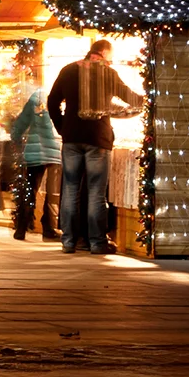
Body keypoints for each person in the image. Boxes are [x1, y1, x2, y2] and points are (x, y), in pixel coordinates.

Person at [48, 40, 144, 255]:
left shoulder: (69, 70)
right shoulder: (108, 74)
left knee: (71, 190)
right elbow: (131, 98)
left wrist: (63, 127)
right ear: (102, 53)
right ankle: (97, 242)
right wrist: (149, 98)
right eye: (109, 57)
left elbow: (52, 101)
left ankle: (69, 241)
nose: (110, 61)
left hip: (72, 138)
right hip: (97, 139)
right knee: (96, 193)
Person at [10, 88, 62, 241]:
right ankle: (49, 228)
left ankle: (21, 227)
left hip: (34, 153)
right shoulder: (63, 99)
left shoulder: (37, 98)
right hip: (55, 153)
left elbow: (20, 124)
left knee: (30, 191)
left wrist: (16, 139)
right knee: (53, 194)